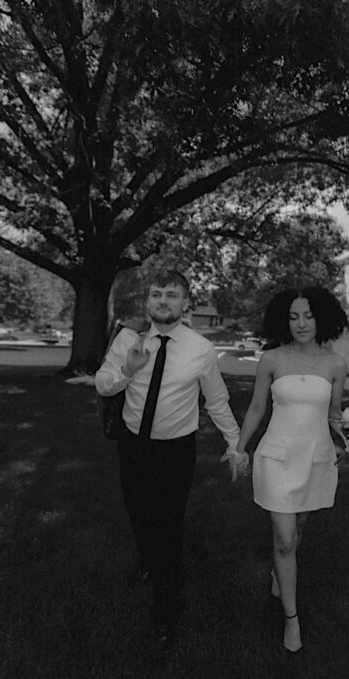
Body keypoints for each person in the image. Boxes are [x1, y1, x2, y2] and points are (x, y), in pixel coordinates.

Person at [96, 270, 246, 658]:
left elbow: (216, 401)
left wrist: (235, 443)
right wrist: (129, 368)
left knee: (167, 527)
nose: (163, 301)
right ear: (148, 301)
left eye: (172, 295)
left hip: (175, 452)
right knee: (137, 513)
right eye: (157, 294)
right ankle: (146, 558)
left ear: (185, 303)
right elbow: (102, 384)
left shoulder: (200, 349)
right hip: (133, 444)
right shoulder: (129, 338)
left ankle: (165, 610)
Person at [234, 286, 349, 653]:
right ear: (284, 321)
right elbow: (256, 409)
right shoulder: (271, 359)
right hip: (277, 457)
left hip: (315, 458)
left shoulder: (335, 365)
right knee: (284, 538)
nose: (301, 323)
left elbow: (334, 415)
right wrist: (240, 448)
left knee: (297, 530)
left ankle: (278, 573)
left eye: (309, 315)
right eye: (294, 316)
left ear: (322, 318)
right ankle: (291, 620)